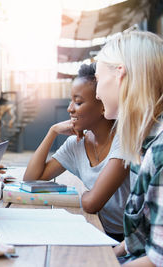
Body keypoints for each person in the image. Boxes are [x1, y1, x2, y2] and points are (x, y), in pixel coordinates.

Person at [23, 63, 132, 242]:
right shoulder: (76, 143)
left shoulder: (125, 139)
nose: (70, 109)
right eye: (70, 101)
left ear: (103, 105)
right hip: (97, 228)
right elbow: (31, 179)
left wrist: (79, 193)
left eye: (78, 102)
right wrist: (52, 132)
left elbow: (91, 204)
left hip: (126, 239)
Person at [95, 30, 163, 267]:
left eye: (98, 79)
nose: (97, 92)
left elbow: (158, 260)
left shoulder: (160, 153)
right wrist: (104, 257)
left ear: (120, 74)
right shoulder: (142, 144)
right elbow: (144, 238)